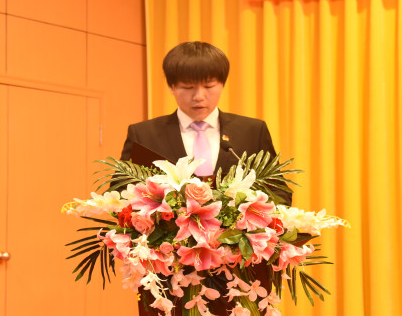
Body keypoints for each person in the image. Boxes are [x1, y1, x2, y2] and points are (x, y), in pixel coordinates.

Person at [120, 41, 291, 205]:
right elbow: (121, 192)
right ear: (171, 87)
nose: (199, 97)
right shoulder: (144, 135)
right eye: (188, 87)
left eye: (209, 86)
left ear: (222, 84)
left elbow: (279, 192)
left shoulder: (252, 131)